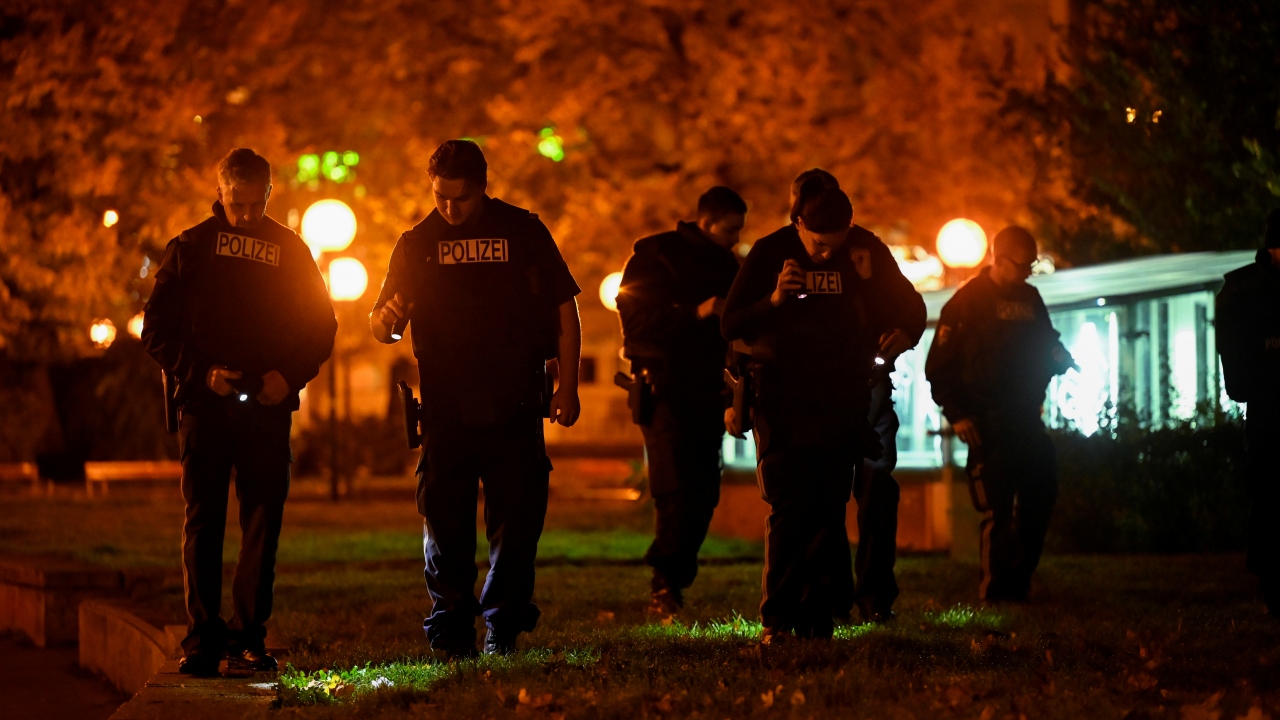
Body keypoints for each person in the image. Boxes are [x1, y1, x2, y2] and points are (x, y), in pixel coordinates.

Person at [370, 140, 582, 659]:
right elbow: (379, 324)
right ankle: (451, 631)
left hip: (513, 398)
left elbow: (564, 311)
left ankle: (502, 628)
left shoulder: (523, 230)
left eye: (459, 199)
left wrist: (568, 384)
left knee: (517, 520)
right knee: (445, 522)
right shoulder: (416, 243)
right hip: (445, 403)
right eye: (439, 197)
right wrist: (389, 322)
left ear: (482, 188)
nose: (448, 209)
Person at [142, 148, 337, 675]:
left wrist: (286, 376)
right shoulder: (191, 248)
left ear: (270, 194)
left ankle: (247, 635)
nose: (246, 216)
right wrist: (202, 373)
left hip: (265, 404)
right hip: (206, 404)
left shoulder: (290, 250)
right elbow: (155, 330)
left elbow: (321, 327)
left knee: (260, 522)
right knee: (204, 520)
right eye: (236, 204)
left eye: (255, 205)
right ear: (220, 192)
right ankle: (204, 640)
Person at [722, 182, 881, 643]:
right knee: (789, 508)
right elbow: (730, 323)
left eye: (838, 242)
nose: (828, 253)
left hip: (839, 400)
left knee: (830, 508)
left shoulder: (860, 254)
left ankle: (818, 619)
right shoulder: (771, 252)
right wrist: (773, 301)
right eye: (818, 243)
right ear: (799, 225)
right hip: (782, 400)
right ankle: (778, 618)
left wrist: (880, 304)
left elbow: (898, 308)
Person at [783, 170, 927, 623]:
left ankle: (869, 596)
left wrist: (903, 332)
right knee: (830, 494)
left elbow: (908, 306)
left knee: (874, 487)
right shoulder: (783, 250)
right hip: (819, 393)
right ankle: (844, 595)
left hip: (865, 387)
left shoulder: (868, 250)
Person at [924, 226, 1073, 602]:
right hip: (986, 423)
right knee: (997, 511)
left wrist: (1059, 359)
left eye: (1031, 265)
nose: (1026, 272)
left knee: (1040, 496)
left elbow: (1045, 342)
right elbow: (939, 367)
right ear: (998, 258)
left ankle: (1019, 583)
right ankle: (996, 594)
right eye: (1021, 264)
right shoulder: (965, 303)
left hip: (1025, 417)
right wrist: (957, 414)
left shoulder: (1030, 298)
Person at [616, 186, 746, 616]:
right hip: (665, 389)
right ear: (708, 222)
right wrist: (694, 312)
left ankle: (673, 580)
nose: (736, 238)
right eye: (730, 229)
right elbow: (634, 320)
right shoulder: (657, 256)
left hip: (709, 391)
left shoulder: (730, 264)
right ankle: (665, 583)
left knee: (703, 492)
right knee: (676, 490)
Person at [1216, 208, 1280, 616]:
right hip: (1269, 412)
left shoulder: (1241, 291)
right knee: (1272, 495)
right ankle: (1273, 586)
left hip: (1265, 406)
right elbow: (1238, 373)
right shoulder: (1242, 293)